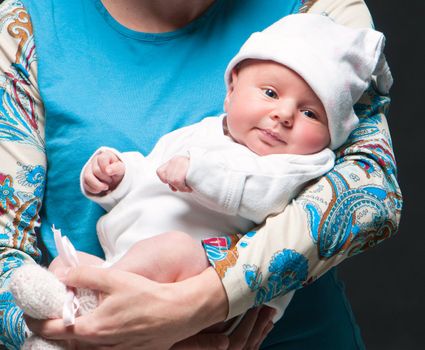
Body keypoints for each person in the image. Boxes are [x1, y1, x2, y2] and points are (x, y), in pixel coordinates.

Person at [0, 1, 402, 349]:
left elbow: (371, 189)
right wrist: (116, 177)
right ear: (231, 88)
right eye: (270, 94)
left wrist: (194, 305)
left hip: (269, 334)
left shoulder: (323, 21)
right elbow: (7, 243)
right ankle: (63, 329)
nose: (283, 114)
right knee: (64, 272)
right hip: (107, 292)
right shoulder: (27, 23)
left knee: (168, 251)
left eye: (310, 113)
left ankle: (94, 312)